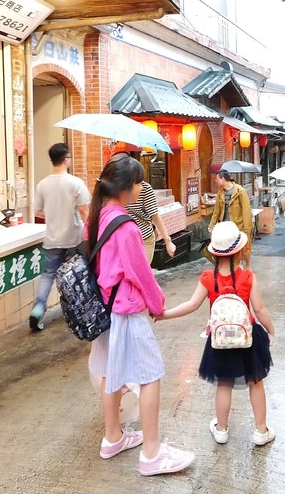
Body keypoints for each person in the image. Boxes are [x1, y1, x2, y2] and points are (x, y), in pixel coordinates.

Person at [85, 154, 195, 476]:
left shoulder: (98, 217)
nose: (138, 190)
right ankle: (152, 453)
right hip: (126, 311)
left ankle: (113, 437)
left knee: (109, 373)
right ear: (126, 187)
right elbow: (141, 274)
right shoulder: (126, 226)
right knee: (149, 376)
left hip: (105, 309)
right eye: (136, 184)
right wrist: (158, 305)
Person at [157, 221, 275, 447]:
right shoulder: (248, 277)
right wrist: (270, 330)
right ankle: (261, 431)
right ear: (240, 250)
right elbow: (259, 309)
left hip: (220, 341)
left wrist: (165, 314)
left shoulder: (207, 278)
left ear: (214, 252)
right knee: (256, 383)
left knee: (224, 384)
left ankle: (221, 429)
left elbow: (191, 305)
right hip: (247, 337)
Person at [29, 142, 91, 332]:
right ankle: (79, 311)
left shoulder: (42, 184)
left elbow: (38, 211)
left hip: (52, 238)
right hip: (74, 237)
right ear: (66, 159)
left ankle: (38, 309)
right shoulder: (75, 183)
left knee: (48, 275)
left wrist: (53, 215)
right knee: (78, 275)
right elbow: (84, 211)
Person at [125, 177, 176, 264]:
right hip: (125, 239)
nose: (140, 187)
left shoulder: (145, 188)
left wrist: (168, 241)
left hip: (144, 236)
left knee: (142, 272)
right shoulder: (116, 189)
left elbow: (155, 216)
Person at [208, 170, 253, 267]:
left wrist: (247, 230)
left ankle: (248, 265)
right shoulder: (220, 193)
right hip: (225, 227)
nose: (215, 181)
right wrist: (211, 225)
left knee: (243, 250)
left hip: (238, 227)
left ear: (223, 178)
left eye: (217, 179)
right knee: (230, 251)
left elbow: (246, 211)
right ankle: (236, 269)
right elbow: (216, 211)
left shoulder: (240, 191)